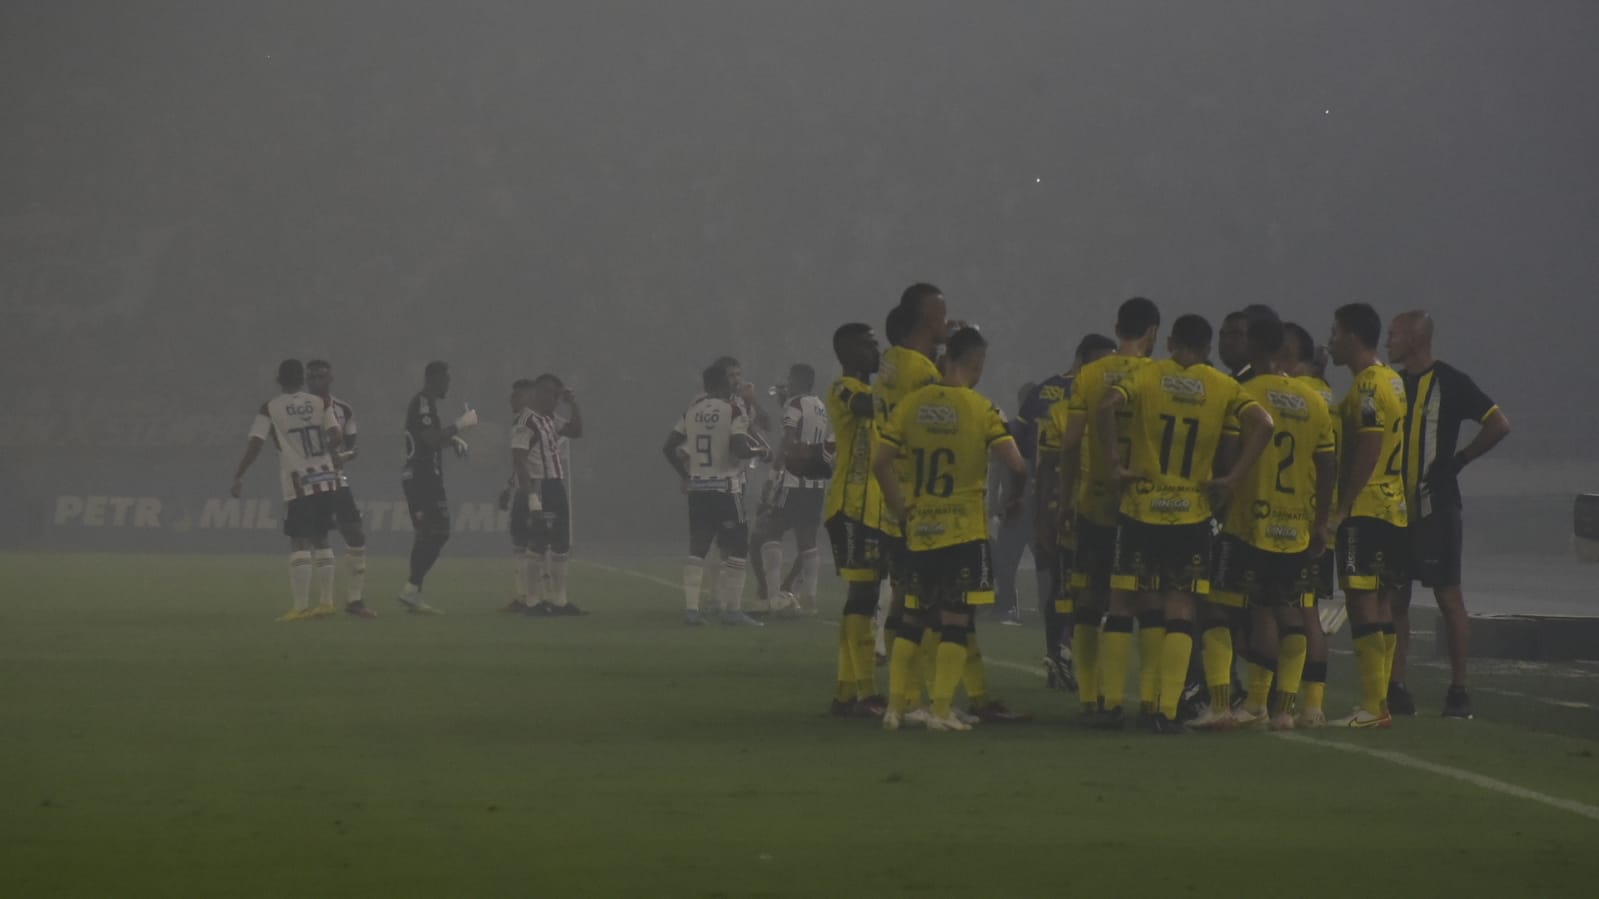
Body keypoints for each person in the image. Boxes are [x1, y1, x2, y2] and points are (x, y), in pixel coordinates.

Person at [1096, 314, 1272, 733]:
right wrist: (1232, 478)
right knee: (1179, 606)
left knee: (1123, 603)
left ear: (1172, 341)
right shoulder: (1222, 385)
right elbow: (1265, 424)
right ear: (1208, 347)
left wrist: (1115, 466)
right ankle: (1167, 710)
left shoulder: (1148, 375)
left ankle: (1112, 704)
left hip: (1142, 507)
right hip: (1191, 512)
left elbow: (1106, 406)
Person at [874, 327, 1028, 731]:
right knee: (955, 621)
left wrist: (899, 505)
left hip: (920, 526)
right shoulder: (981, 408)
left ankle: (894, 709)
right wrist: (1013, 500)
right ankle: (941, 711)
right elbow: (1016, 464)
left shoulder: (911, 405)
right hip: (963, 531)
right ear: (976, 363)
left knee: (912, 617)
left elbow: (880, 460)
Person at [1208, 320, 1336, 730]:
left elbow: (1227, 456)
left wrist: (1222, 492)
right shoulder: (1314, 400)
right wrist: (1320, 522)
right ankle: (1282, 710)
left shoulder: (1243, 394)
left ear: (1254, 347)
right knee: (1288, 611)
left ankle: (1228, 705)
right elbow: (1328, 464)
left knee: (1221, 609)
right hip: (1295, 525)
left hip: (1248, 522)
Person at [1038, 298, 1160, 721]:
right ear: (1152, 334)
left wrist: (1066, 499)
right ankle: (1147, 700)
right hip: (1144, 506)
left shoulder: (1088, 376)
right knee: (1145, 601)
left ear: (1117, 326)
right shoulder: (1156, 375)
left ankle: (1093, 700)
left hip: (1094, 504)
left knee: (1088, 599)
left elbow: (1070, 445)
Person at [1386, 311, 1511, 719]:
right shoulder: (1390, 383)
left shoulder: (1451, 381)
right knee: (1395, 597)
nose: (1389, 341)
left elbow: (1498, 424)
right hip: (1394, 507)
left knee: (1448, 596)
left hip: (1436, 507)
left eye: (1395, 334)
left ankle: (1459, 690)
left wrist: (1460, 460)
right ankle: (1396, 686)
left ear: (1417, 338)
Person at [1018, 334, 1117, 688]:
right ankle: (1057, 655)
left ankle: (1071, 656)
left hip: (1098, 510)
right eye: (1103, 362)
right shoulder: (1064, 407)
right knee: (1063, 589)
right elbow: (1044, 464)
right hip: (1068, 510)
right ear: (1083, 363)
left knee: (1090, 592)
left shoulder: (1111, 405)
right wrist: (1044, 514)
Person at [1328, 303, 1409, 728]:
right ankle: (1381, 703)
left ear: (1354, 337)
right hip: (1393, 509)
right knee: (1380, 604)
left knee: (1362, 604)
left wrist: (1342, 507)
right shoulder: (1394, 382)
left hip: (1366, 509)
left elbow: (1371, 443)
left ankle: (1373, 705)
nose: (1331, 339)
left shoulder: (1367, 387)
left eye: (1336, 332)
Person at [874, 286, 947, 723]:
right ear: (925, 319)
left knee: (905, 597)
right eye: (941, 313)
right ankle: (911, 699)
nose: (947, 319)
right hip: (917, 498)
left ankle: (903, 700)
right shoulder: (922, 372)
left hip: (891, 496)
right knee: (923, 602)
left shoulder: (891, 361)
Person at [230, 359, 345, 621]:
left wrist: (239, 474)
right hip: (327, 477)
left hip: (299, 480)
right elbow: (336, 435)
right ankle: (326, 602)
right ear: (302, 379)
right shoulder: (320, 402)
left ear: (279, 380)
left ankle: (300, 607)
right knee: (322, 537)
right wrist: (326, 450)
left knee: (299, 540)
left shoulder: (270, 408)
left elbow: (256, 444)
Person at [663, 364, 765, 626]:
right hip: (725, 489)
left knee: (698, 548)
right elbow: (739, 448)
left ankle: (692, 611)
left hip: (698, 489)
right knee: (738, 547)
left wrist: (685, 475)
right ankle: (733, 610)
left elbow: (669, 447)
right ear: (722, 383)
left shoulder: (693, 410)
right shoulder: (733, 409)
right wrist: (760, 452)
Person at [822, 323, 889, 717]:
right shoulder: (842, 388)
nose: (876, 350)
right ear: (849, 353)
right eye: (869, 345)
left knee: (865, 597)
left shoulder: (874, 390)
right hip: (851, 506)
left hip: (877, 507)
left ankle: (847, 693)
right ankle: (865, 693)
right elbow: (869, 408)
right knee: (863, 597)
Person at [1285, 324, 1338, 725]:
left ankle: (1275, 702)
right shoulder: (1331, 399)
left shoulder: (1290, 397)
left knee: (1282, 613)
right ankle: (1313, 705)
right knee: (1310, 613)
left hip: (1289, 517)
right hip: (1322, 521)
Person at [397, 361, 479, 615]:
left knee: (428, 533)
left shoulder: (427, 404)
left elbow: (428, 441)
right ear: (434, 378)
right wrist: (460, 425)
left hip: (423, 476)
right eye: (446, 379)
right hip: (422, 478)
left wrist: (452, 441)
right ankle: (411, 589)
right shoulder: (423, 403)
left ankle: (413, 592)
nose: (449, 384)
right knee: (438, 531)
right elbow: (430, 439)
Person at [752, 363, 831, 617]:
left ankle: (775, 596)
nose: (787, 381)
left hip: (794, 478)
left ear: (797, 380)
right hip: (816, 481)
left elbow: (788, 437)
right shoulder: (819, 405)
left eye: (789, 378)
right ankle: (810, 599)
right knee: (807, 539)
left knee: (772, 530)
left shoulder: (794, 405)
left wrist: (774, 472)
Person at [508, 374, 586, 617]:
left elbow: (576, 431)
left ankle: (560, 601)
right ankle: (532, 602)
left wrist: (573, 404)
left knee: (561, 543)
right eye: (552, 393)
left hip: (556, 483)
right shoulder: (526, 421)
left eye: (557, 394)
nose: (555, 399)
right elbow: (519, 459)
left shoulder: (551, 418)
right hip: (539, 483)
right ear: (539, 393)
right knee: (538, 542)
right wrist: (531, 495)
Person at [304, 360, 376, 618]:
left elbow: (352, 448)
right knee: (317, 538)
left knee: (355, 534)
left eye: (320, 376)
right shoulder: (299, 410)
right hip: (307, 481)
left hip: (335, 478)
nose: (315, 382)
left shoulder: (343, 408)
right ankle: (323, 602)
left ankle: (354, 600)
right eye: (311, 377)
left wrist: (341, 457)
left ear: (330, 378)